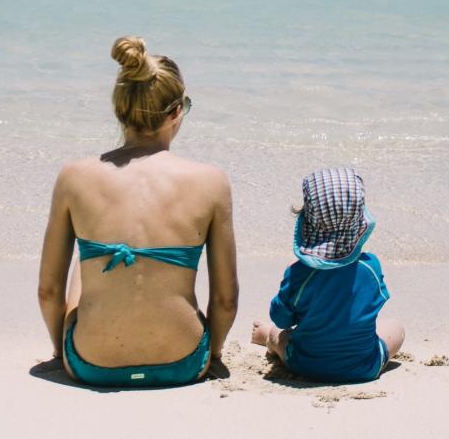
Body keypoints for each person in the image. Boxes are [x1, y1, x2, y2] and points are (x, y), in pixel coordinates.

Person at [37, 36, 238, 387]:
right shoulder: (211, 182)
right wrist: (214, 354)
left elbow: (48, 292)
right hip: (185, 363)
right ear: (176, 112)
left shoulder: (74, 176)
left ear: (119, 110)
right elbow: (225, 299)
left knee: (83, 267)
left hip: (91, 364)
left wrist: (61, 352)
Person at [250, 167, 404, 383]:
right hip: (364, 367)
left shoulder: (298, 274)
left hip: (304, 365)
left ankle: (267, 337)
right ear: (358, 222)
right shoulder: (371, 268)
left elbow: (282, 318)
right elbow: (374, 305)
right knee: (397, 327)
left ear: (306, 218)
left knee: (279, 334)